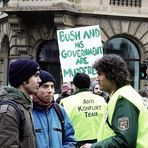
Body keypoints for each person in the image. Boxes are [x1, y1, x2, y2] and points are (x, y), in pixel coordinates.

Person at [81, 54, 148, 148]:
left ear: (112, 74)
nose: (97, 78)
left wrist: (94, 147)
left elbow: (124, 141)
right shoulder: (123, 95)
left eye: (100, 74)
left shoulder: (123, 99)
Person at [0, 59, 41, 148]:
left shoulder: (25, 105)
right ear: (24, 80)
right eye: (36, 76)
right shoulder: (9, 110)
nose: (40, 80)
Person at [60, 72, 107, 148]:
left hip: (75, 143)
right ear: (89, 84)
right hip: (98, 142)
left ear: (74, 85)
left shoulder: (65, 102)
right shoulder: (102, 100)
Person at [32, 70, 77, 148]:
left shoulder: (60, 110)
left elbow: (70, 139)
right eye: (45, 86)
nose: (50, 90)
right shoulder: (28, 111)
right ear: (36, 88)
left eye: (52, 86)